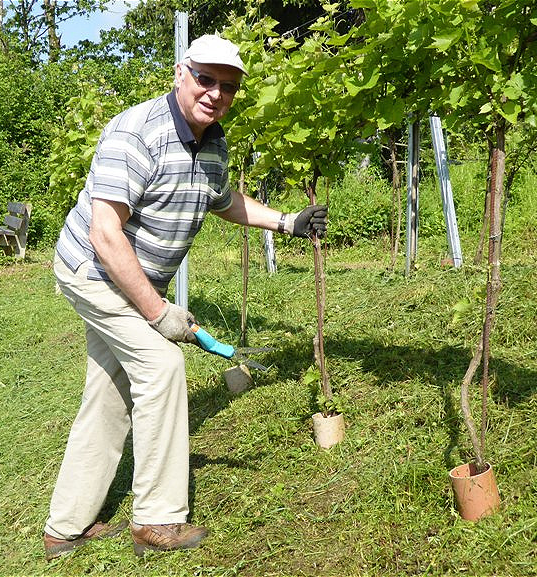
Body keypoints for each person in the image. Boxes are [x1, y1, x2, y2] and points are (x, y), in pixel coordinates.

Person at [43, 34, 328, 559]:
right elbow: (105, 235)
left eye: (227, 87)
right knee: (161, 365)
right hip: (92, 270)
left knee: (109, 389)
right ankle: (156, 519)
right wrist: (160, 314)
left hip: (133, 278)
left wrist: (286, 221)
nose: (215, 93)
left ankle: (66, 527)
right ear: (181, 72)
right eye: (205, 79)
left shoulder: (213, 142)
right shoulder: (136, 133)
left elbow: (223, 201)